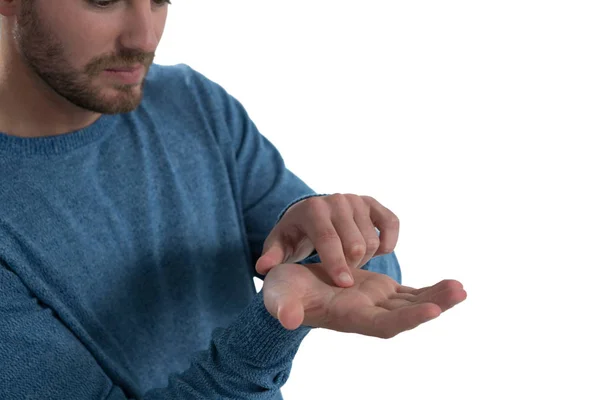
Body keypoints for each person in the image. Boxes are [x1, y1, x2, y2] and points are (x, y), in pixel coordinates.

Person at [0, 1, 467, 399]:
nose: (144, 36)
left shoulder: (188, 101)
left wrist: (332, 238)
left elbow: (373, 279)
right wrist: (268, 329)